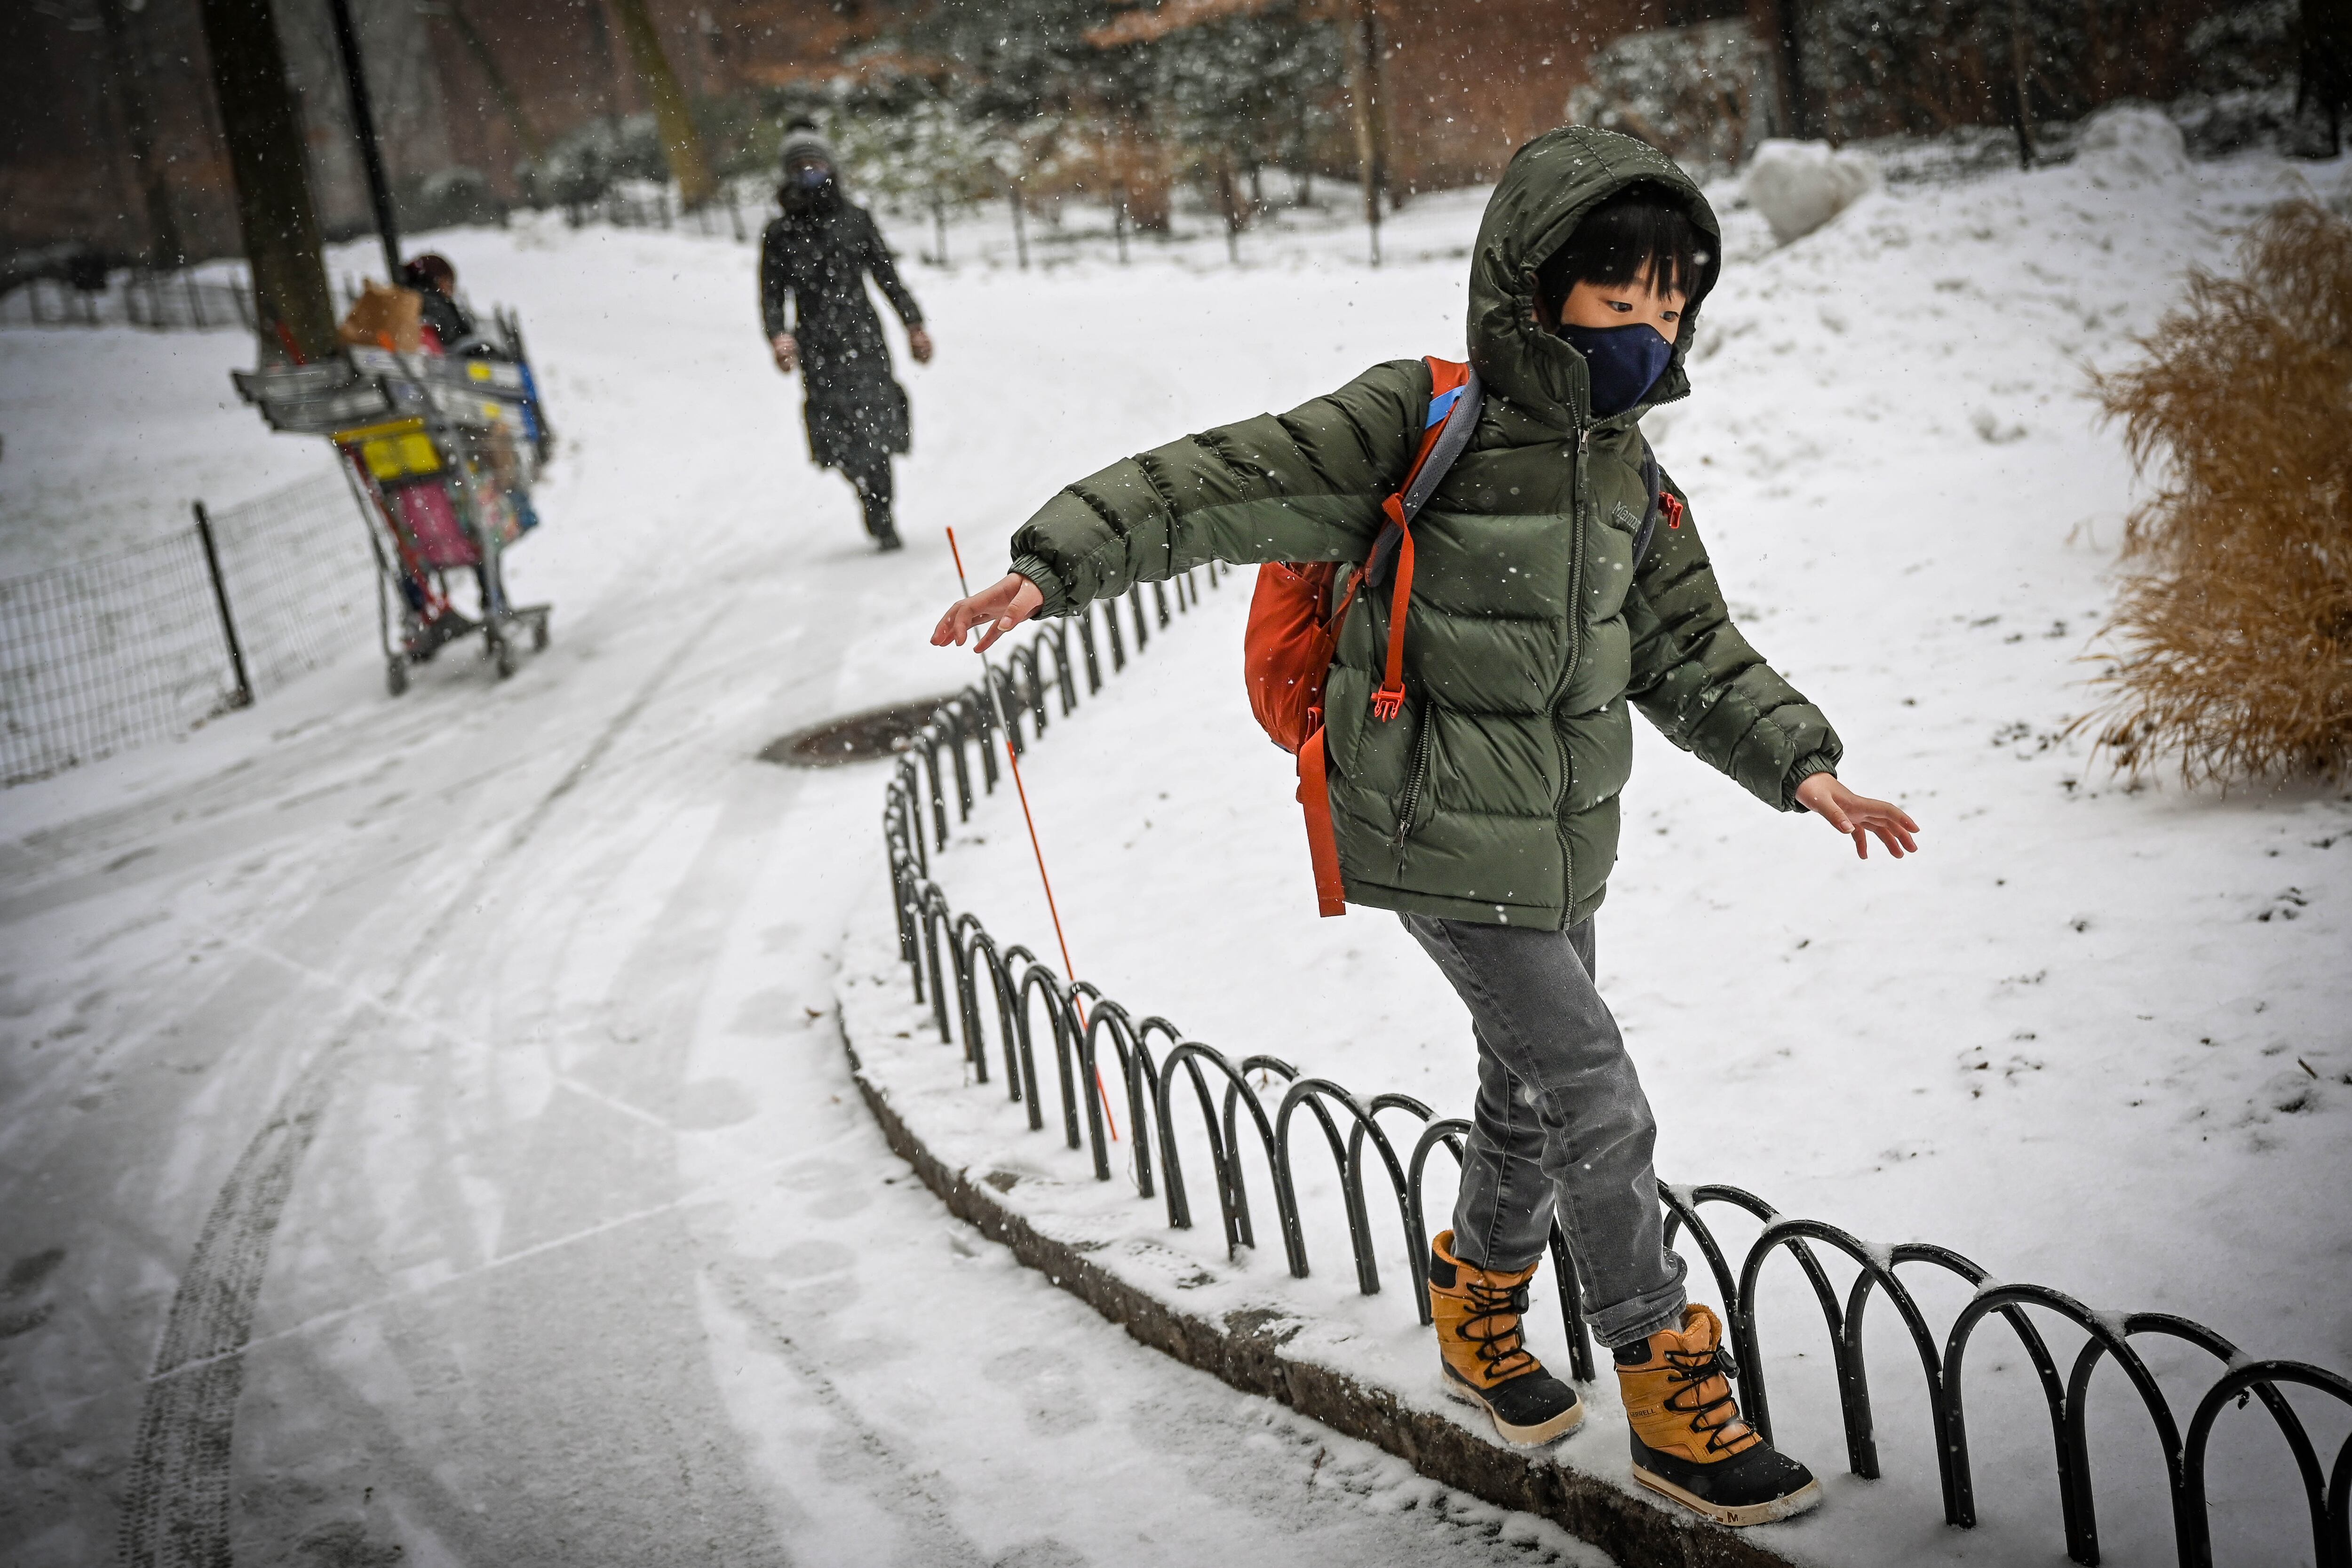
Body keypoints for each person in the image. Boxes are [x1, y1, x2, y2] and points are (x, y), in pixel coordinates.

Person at [931, 127, 1922, 1530]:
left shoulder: (1630, 475)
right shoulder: (1420, 417)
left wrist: (1802, 767)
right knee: (1592, 1091)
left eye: (1668, 302)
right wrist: (1056, 563)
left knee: (1525, 1090)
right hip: (1428, 823)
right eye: (1617, 297)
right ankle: (1665, 1384)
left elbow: (1692, 653)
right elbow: (1216, 481)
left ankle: (1475, 1313)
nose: (1648, 327)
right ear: (1537, 287)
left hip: (1561, 834)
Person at [760, 122, 933, 551]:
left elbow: (887, 276)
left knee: (876, 427)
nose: (809, 172)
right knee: (837, 434)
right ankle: (864, 488)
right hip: (816, 345)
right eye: (799, 166)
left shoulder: (856, 219)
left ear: (829, 167)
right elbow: (770, 293)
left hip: (864, 337)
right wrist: (778, 336)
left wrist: (914, 324)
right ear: (788, 174)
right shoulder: (781, 234)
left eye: (815, 163)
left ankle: (882, 508)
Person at [398, 253, 480, 355]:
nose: (453, 289)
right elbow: (452, 338)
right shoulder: (434, 306)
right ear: (435, 281)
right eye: (450, 281)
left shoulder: (413, 300)